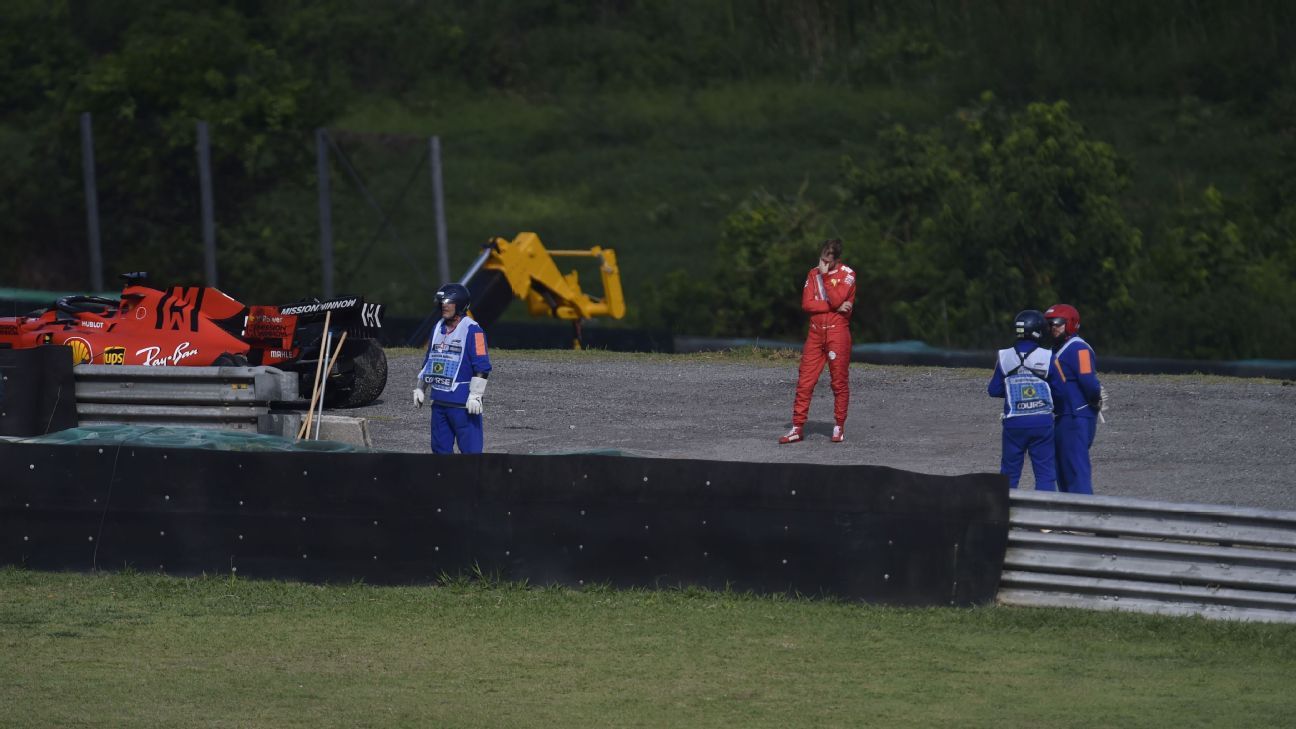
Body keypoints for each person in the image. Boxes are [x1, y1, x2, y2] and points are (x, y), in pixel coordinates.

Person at [779, 238, 857, 444]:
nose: (822, 264)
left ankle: (839, 426)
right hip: (815, 333)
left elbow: (839, 299)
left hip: (837, 334)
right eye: (821, 258)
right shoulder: (812, 273)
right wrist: (833, 306)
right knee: (805, 381)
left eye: (828, 260)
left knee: (838, 382)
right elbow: (807, 304)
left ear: (836, 259)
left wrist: (826, 280)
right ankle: (797, 427)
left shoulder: (847, 275)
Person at [413, 283, 492, 454]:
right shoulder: (437, 328)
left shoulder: (473, 330)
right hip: (439, 403)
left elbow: (482, 366)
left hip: (463, 405)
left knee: (471, 454)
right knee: (440, 452)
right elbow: (430, 359)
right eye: (442, 302)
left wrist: (476, 396)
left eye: (449, 302)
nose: (444, 305)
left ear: (460, 304)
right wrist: (420, 387)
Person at [988, 310, 1061, 490]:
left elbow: (994, 389)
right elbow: (1059, 389)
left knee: (1009, 474)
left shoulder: (1004, 356)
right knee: (1045, 473)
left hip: (1014, 422)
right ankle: (1045, 513)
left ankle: (1004, 513)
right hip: (1042, 422)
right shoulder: (1048, 356)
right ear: (1038, 331)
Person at [1045, 303, 1104, 494]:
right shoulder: (1056, 349)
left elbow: (1089, 382)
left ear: (1070, 324)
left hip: (1077, 416)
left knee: (1076, 470)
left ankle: (1084, 519)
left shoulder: (1079, 349)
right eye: (1049, 324)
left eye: (1057, 323)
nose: (1053, 327)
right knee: (1063, 471)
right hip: (1063, 416)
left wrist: (1095, 399)